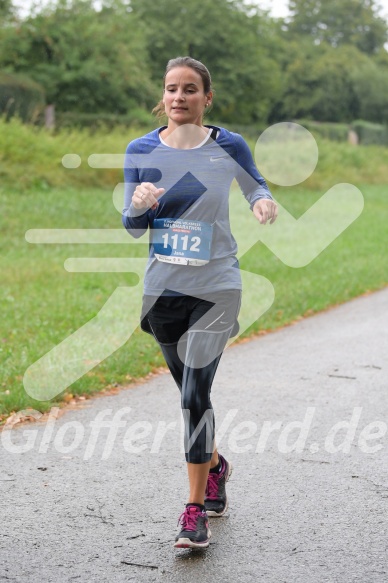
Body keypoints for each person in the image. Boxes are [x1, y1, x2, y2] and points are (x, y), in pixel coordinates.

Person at [122, 56, 278, 549]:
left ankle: (193, 513)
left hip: (216, 287)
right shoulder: (140, 149)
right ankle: (215, 465)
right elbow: (132, 224)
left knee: (193, 395)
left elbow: (255, 181)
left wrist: (261, 200)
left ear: (206, 98)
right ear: (163, 96)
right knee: (192, 395)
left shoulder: (226, 144)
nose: (179, 97)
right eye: (172, 89)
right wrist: (140, 204)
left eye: (190, 89)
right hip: (164, 289)